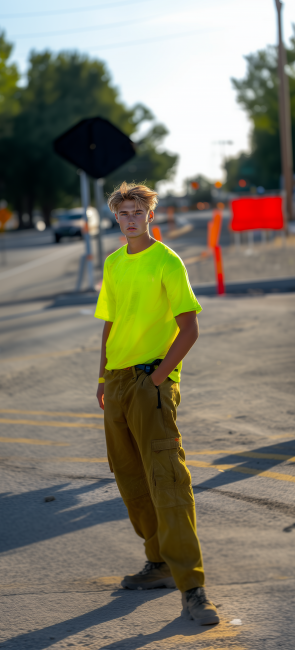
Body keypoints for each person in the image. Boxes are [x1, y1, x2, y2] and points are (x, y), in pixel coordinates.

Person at [95, 182, 219, 626]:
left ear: (150, 214)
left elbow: (189, 329)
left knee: (167, 482)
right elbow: (110, 321)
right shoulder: (112, 264)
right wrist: (102, 373)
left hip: (151, 381)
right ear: (115, 218)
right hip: (117, 382)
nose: (130, 218)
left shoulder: (166, 261)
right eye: (122, 212)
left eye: (137, 211)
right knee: (131, 481)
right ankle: (159, 564)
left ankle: (194, 588)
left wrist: (159, 378)